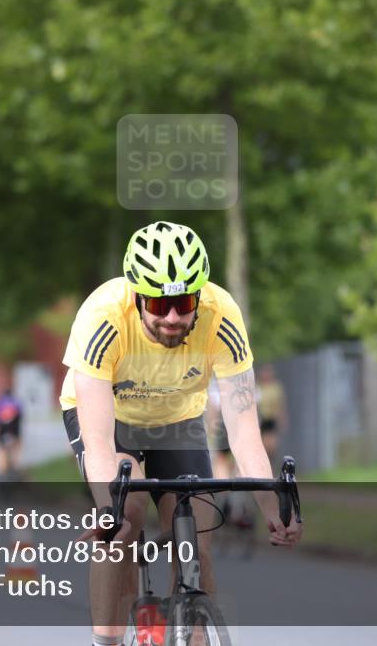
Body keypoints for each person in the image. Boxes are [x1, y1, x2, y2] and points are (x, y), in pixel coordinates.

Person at [60, 221, 303, 646]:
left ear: (200, 296)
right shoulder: (102, 318)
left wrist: (271, 504)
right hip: (111, 422)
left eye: (185, 301)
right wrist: (107, 508)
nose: (172, 317)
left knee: (197, 540)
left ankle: (192, 633)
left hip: (179, 420)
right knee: (126, 518)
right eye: (158, 304)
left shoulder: (222, 315)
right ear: (136, 296)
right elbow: (97, 438)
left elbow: (243, 429)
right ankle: (107, 641)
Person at [256, 364, 288, 467]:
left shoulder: (275, 387)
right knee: (264, 444)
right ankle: (264, 465)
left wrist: (282, 419)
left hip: (272, 418)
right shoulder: (258, 387)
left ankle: (270, 464)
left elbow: (280, 404)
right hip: (262, 419)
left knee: (272, 446)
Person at [0, 390, 22, 477]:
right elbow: (19, 419)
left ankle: (1, 469)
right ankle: (15, 465)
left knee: (0, 449)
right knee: (15, 448)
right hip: (14, 429)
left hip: (2, 429)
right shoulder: (17, 402)